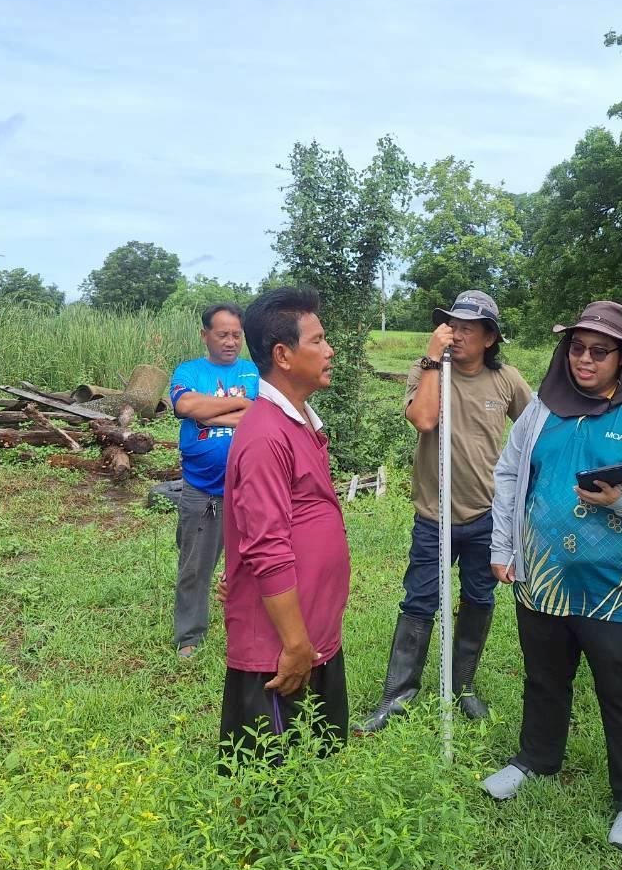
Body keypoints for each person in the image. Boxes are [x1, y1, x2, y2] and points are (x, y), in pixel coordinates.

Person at [480, 301, 622, 853]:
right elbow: (510, 475)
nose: (585, 359)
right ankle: (535, 759)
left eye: (599, 351)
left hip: (619, 587)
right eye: (576, 348)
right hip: (543, 577)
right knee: (543, 677)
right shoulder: (539, 413)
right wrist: (504, 547)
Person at [356, 290, 533, 733]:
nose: (456, 334)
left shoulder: (506, 380)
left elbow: (534, 432)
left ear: (490, 337)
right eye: (451, 325)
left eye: (468, 328)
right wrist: (434, 362)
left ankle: (462, 688)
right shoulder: (429, 370)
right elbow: (423, 420)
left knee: (479, 598)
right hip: (434, 516)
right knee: (419, 600)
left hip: (487, 515)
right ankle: (397, 697)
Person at [217, 287, 351, 760]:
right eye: (318, 340)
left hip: (311, 637)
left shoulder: (298, 424)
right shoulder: (265, 435)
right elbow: (267, 548)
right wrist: (295, 645)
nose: (330, 350)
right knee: (271, 789)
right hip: (280, 651)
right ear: (283, 355)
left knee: (319, 772)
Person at [169, 303, 259, 657]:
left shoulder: (254, 372)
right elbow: (186, 407)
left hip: (249, 489)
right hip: (202, 490)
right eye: (222, 334)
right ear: (205, 335)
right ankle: (189, 637)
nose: (231, 342)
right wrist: (237, 410)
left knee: (255, 564)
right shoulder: (189, 370)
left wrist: (211, 416)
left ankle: (250, 628)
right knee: (194, 566)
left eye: (236, 335)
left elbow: (257, 412)